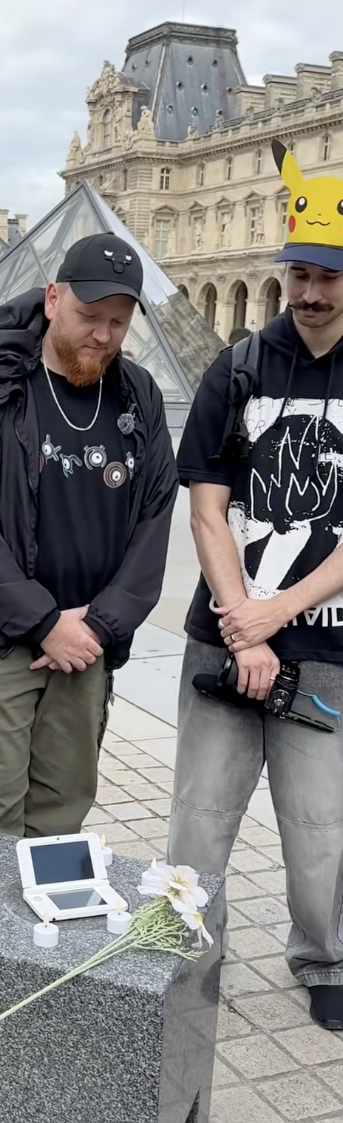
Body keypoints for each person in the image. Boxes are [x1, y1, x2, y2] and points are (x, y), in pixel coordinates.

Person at [0, 233, 178, 871]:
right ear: (52, 299)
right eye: (89, 315)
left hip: (87, 646)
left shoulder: (139, 395)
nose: (102, 335)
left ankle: (42, 937)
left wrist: (99, 626)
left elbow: (154, 520)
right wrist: (43, 622)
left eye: (118, 322)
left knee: (61, 820)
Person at [169, 140, 343, 1030]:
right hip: (225, 637)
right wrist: (247, 624)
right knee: (198, 821)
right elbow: (207, 510)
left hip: (324, 643)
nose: (310, 293)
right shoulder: (237, 368)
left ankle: (324, 958)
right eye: (300, 273)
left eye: (329, 277)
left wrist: (277, 613)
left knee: (321, 828)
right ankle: (185, 961)